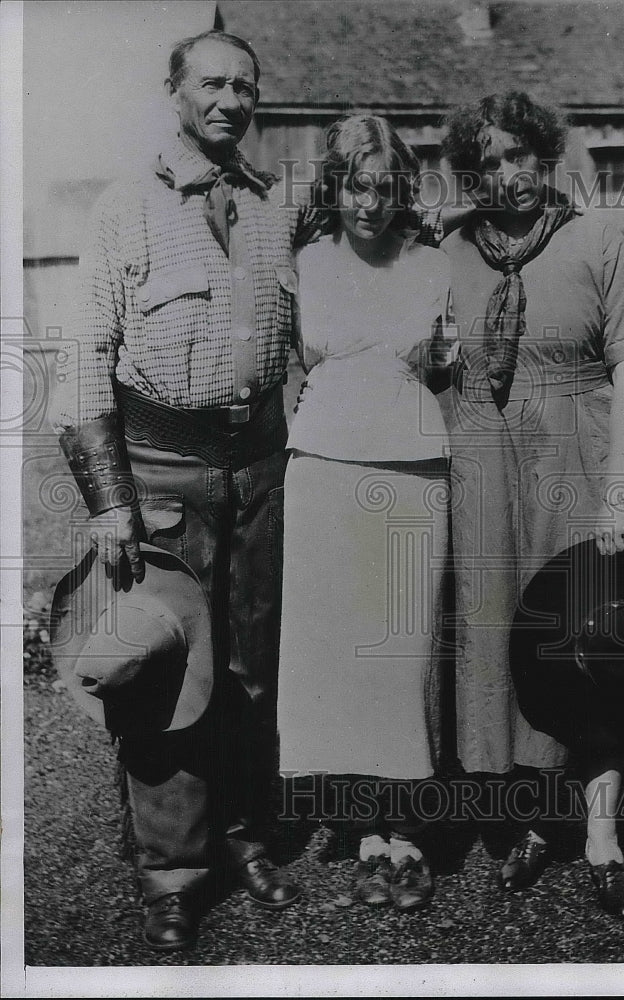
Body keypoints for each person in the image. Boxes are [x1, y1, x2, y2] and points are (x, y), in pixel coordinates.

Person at [50, 29, 327, 953]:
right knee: (167, 675)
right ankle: (172, 872)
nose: (229, 101)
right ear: (174, 91)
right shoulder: (125, 208)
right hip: (162, 472)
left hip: (258, 470)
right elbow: (84, 355)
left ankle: (246, 835)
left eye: (245, 85)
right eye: (211, 83)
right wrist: (108, 501)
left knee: (251, 669)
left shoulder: (269, 207)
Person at [439, 91, 624, 918]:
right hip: (488, 463)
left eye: (520, 156)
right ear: (473, 174)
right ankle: (540, 814)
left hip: (578, 454)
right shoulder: (453, 250)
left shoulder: (596, 237)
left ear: (546, 153)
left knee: (594, 638)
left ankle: (602, 829)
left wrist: (616, 487)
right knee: (514, 639)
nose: (508, 176)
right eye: (489, 163)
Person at [276, 115, 455, 910]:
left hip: (413, 470)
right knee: (338, 661)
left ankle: (407, 831)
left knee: (401, 658)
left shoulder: (433, 266)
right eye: (356, 186)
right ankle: (365, 835)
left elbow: (448, 366)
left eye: (385, 188)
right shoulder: (305, 263)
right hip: (321, 469)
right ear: (336, 185)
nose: (371, 205)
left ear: (402, 190)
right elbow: (287, 368)